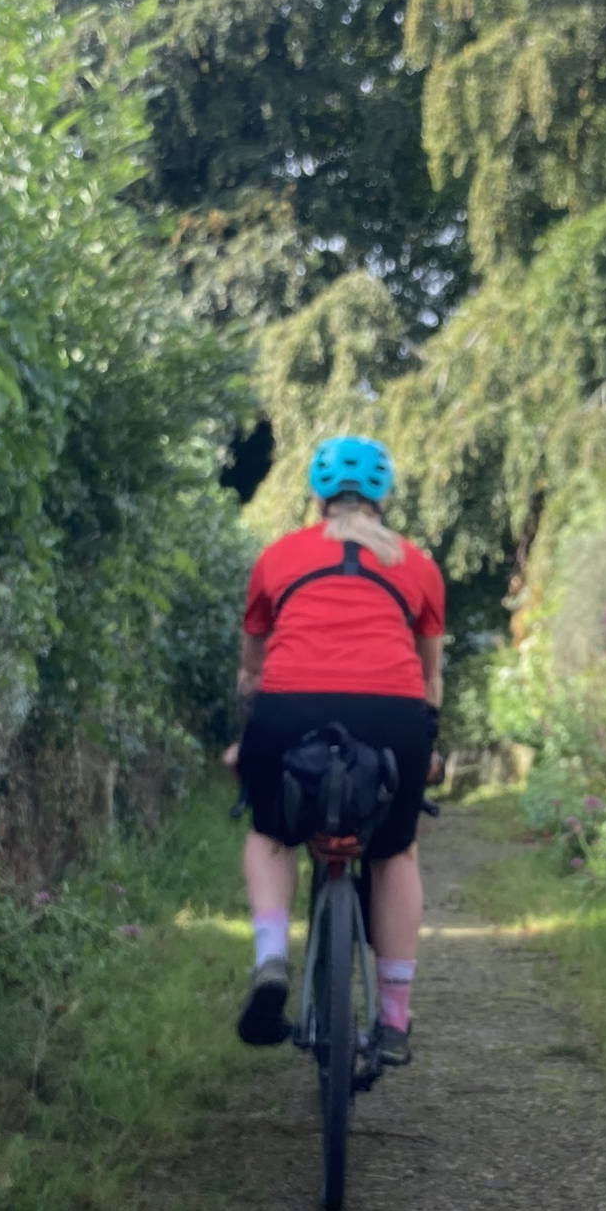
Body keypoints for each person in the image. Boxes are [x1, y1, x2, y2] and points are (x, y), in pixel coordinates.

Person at [232, 435, 445, 1066]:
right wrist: (425, 747)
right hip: (393, 712)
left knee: (270, 832)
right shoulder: (418, 564)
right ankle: (395, 1017)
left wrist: (251, 742)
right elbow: (429, 680)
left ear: (318, 495)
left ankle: (271, 958)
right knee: (394, 851)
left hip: (288, 703)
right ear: (383, 496)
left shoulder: (277, 557)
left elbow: (252, 670)